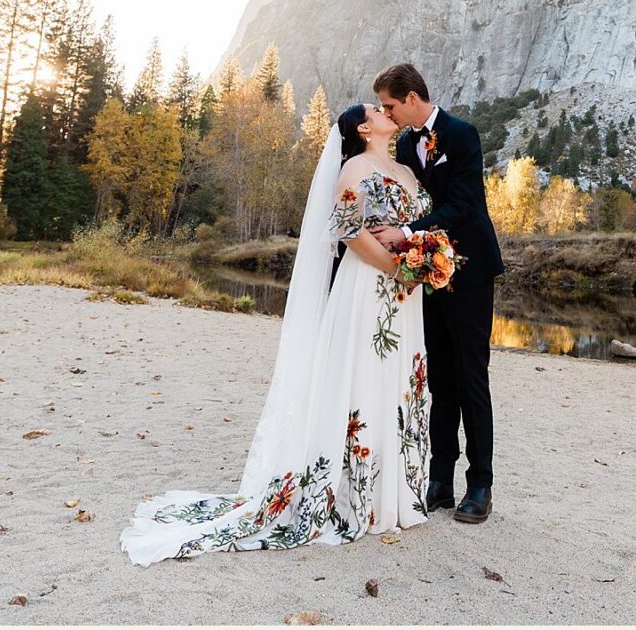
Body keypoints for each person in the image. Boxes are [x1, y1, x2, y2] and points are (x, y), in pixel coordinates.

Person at [119, 104, 432, 563]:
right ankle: (358, 495)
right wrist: (395, 267)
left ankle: (395, 494)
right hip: (368, 286)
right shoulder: (354, 168)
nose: (385, 111)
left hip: (407, 297)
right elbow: (348, 230)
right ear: (364, 128)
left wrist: (423, 258)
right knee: (365, 378)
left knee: (398, 382)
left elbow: (418, 225)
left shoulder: (405, 170)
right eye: (375, 109)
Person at [369, 63, 503, 524]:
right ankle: (440, 480)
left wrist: (406, 232)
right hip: (428, 274)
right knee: (439, 378)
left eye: (389, 105)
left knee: (471, 376)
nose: (387, 113)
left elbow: (461, 205)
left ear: (411, 98)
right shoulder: (406, 145)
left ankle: (480, 484)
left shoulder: (463, 135)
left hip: (470, 270)